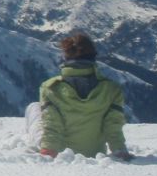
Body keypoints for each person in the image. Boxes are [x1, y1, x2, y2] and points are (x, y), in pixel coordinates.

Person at [31, 32, 134, 161]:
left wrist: (47, 153)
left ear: (66, 57)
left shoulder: (50, 88)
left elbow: (52, 125)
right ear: (93, 56)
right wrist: (120, 150)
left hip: (62, 155)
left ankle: (38, 147)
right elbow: (112, 125)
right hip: (95, 153)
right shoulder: (112, 89)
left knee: (33, 108)